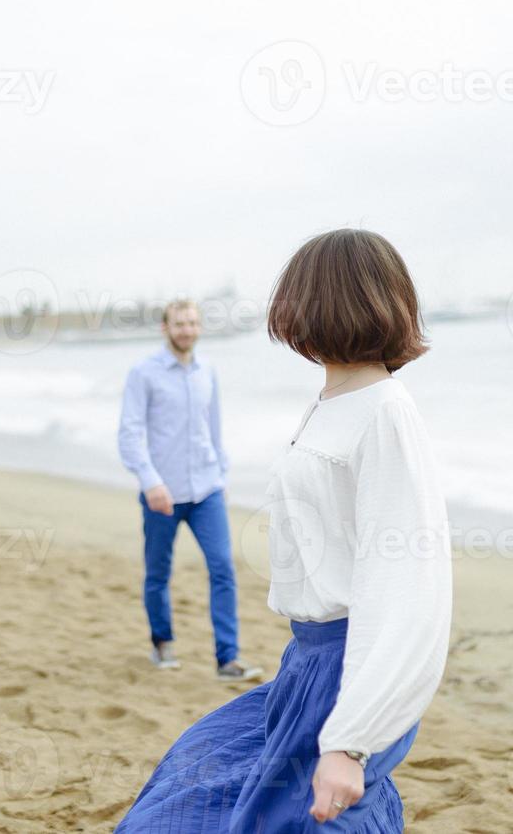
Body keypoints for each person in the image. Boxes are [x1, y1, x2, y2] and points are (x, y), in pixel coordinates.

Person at [116, 229, 453, 832]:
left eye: (297, 299)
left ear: (335, 305)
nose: (286, 316)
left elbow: (408, 589)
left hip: (347, 670)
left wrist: (352, 742)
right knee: (188, 783)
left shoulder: (385, 412)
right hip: (304, 664)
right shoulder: (332, 399)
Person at [117, 298, 262, 682]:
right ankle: (162, 643)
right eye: (179, 323)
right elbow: (129, 436)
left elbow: (213, 430)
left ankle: (227, 659)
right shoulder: (143, 373)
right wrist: (151, 482)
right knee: (159, 573)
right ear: (165, 328)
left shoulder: (207, 371)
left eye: (193, 323)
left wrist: (222, 477)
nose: (187, 330)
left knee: (223, 568)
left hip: (207, 490)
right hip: (161, 494)